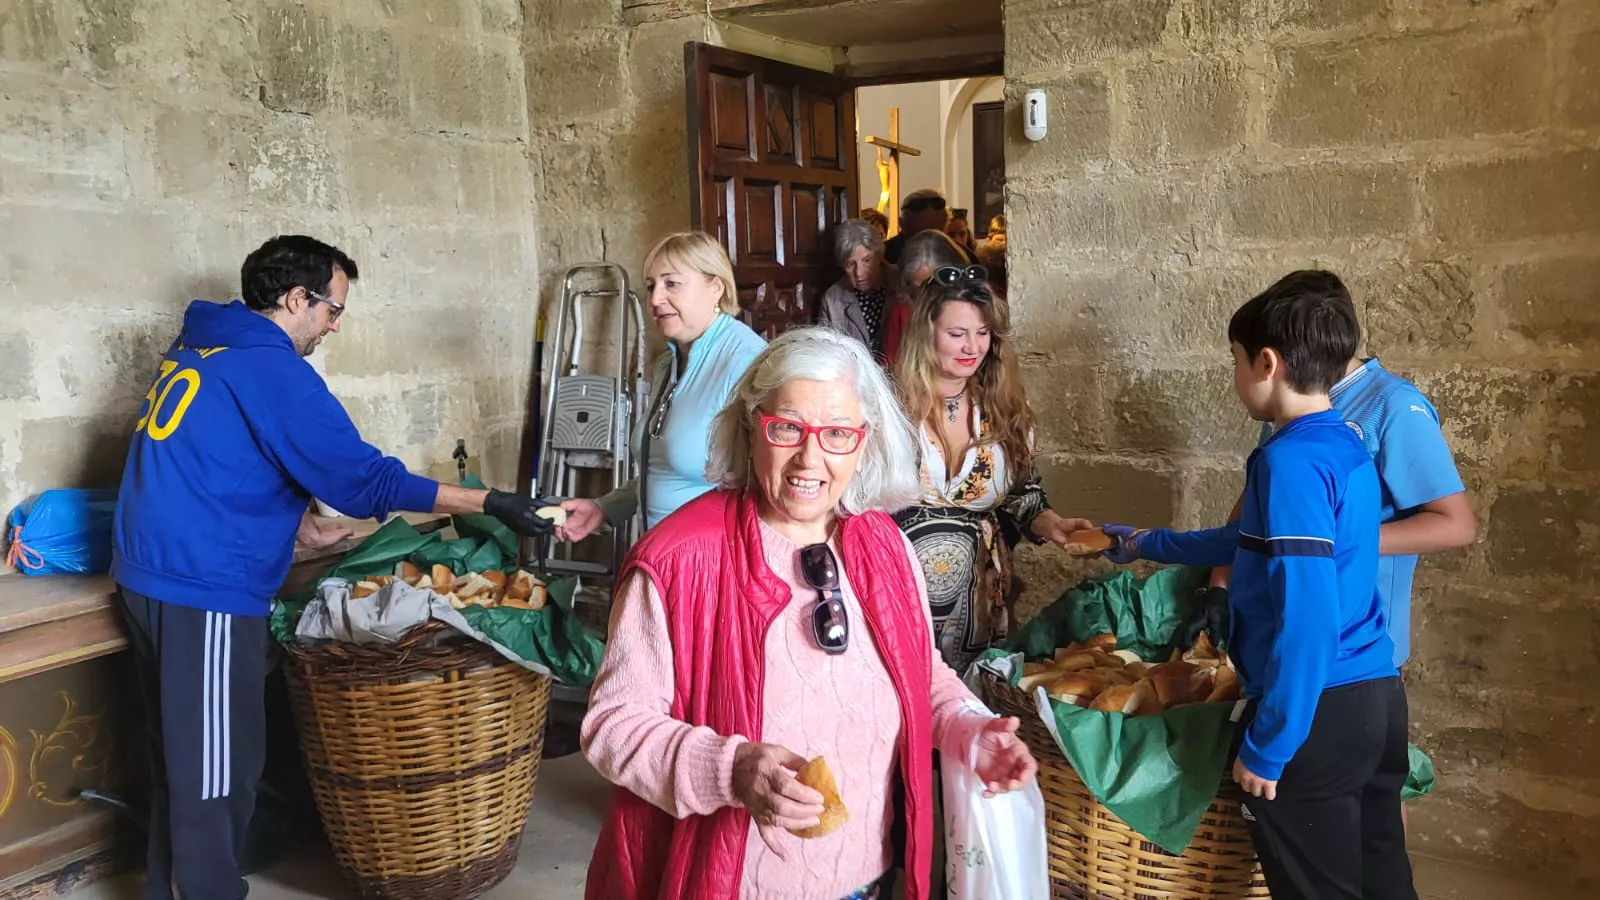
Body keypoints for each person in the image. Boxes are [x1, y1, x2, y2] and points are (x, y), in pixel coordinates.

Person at [111, 235, 557, 900]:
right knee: (217, 774)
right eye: (332, 310)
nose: (334, 326)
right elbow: (364, 481)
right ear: (297, 299)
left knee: (180, 758)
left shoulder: (206, 346)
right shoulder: (272, 368)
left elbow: (226, 454)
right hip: (201, 586)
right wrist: (491, 501)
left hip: (146, 575)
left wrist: (300, 525)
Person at [580, 327, 1038, 900]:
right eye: (787, 427)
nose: (810, 457)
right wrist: (730, 768)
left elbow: (920, 676)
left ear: (865, 443)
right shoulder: (678, 559)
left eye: (838, 433)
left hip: (870, 873)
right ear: (751, 427)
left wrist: (970, 732)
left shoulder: (884, 545)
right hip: (738, 883)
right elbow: (612, 726)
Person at [1099, 271, 1416, 900]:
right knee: (1382, 877)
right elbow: (1244, 541)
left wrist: (1271, 744)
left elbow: (1309, 618)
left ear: (1267, 363)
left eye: (1236, 361)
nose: (1236, 376)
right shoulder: (1342, 443)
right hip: (1376, 698)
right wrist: (1139, 543)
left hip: (1319, 709)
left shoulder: (1289, 460)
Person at [892, 265, 1092, 672]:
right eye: (957, 334)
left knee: (969, 701)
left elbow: (1023, 495)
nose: (972, 347)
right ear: (926, 333)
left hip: (981, 604)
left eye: (982, 333)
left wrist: (1052, 524)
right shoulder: (885, 410)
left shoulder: (1003, 411)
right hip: (895, 598)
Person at [556, 232, 766, 541]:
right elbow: (663, 470)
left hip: (714, 558)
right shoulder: (669, 363)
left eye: (672, 284)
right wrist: (606, 508)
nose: (655, 299)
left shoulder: (748, 362)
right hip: (661, 554)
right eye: (651, 286)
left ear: (716, 287)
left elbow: (772, 486)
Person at [881, 229, 969, 368]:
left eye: (933, 288)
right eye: (916, 290)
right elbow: (890, 364)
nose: (925, 298)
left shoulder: (974, 305)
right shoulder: (901, 308)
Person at [817, 219, 898, 362]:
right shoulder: (832, 300)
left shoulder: (901, 283)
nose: (859, 273)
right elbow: (828, 353)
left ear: (879, 256)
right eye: (851, 264)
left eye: (867, 260)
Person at [884, 189, 976, 267]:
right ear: (901, 224)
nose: (927, 242)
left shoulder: (963, 256)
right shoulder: (883, 256)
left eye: (936, 234)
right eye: (920, 236)